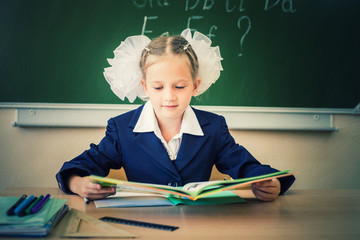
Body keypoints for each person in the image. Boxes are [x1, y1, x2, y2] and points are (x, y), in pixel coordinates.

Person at [56, 29, 295, 202]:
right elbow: (78, 167)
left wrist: (273, 183)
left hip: (198, 226)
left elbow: (247, 167)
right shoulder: (122, 129)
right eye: (158, 87)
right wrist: (76, 183)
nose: (169, 97)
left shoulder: (213, 127)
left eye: (179, 87)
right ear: (144, 86)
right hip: (143, 226)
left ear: (195, 85)